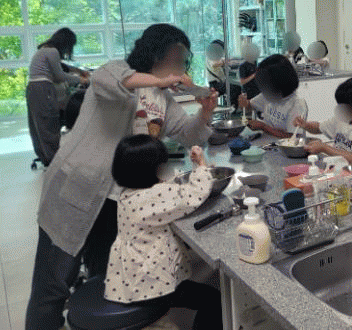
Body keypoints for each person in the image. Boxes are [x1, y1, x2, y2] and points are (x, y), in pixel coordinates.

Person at [26, 23, 218, 330]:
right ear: (157, 53)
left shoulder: (161, 99)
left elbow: (188, 134)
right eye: (179, 59)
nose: (182, 68)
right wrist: (161, 80)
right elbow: (111, 82)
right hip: (76, 191)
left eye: (185, 61)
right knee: (53, 286)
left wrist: (205, 112)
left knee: (105, 279)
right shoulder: (116, 70)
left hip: (118, 203)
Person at [105, 136, 223, 330]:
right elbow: (193, 195)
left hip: (131, 277)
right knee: (213, 300)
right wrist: (202, 165)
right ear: (148, 171)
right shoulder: (152, 196)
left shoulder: (127, 193)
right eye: (161, 166)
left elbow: (164, 193)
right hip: (151, 285)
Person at [26, 28, 89, 167]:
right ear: (66, 43)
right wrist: (81, 80)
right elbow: (59, 76)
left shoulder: (44, 50)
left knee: (38, 126)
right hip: (43, 89)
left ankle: (46, 158)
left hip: (32, 88)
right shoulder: (52, 51)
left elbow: (61, 67)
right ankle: (55, 162)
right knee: (49, 124)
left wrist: (78, 71)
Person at [294, 75, 352, 169]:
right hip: (339, 171)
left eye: (346, 106)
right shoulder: (342, 119)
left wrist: (324, 148)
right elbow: (319, 127)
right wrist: (305, 125)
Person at [238, 54, 307, 139]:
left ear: (278, 84)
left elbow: (293, 137)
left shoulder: (296, 105)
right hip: (266, 141)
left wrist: (263, 127)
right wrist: (244, 103)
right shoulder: (267, 95)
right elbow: (249, 106)